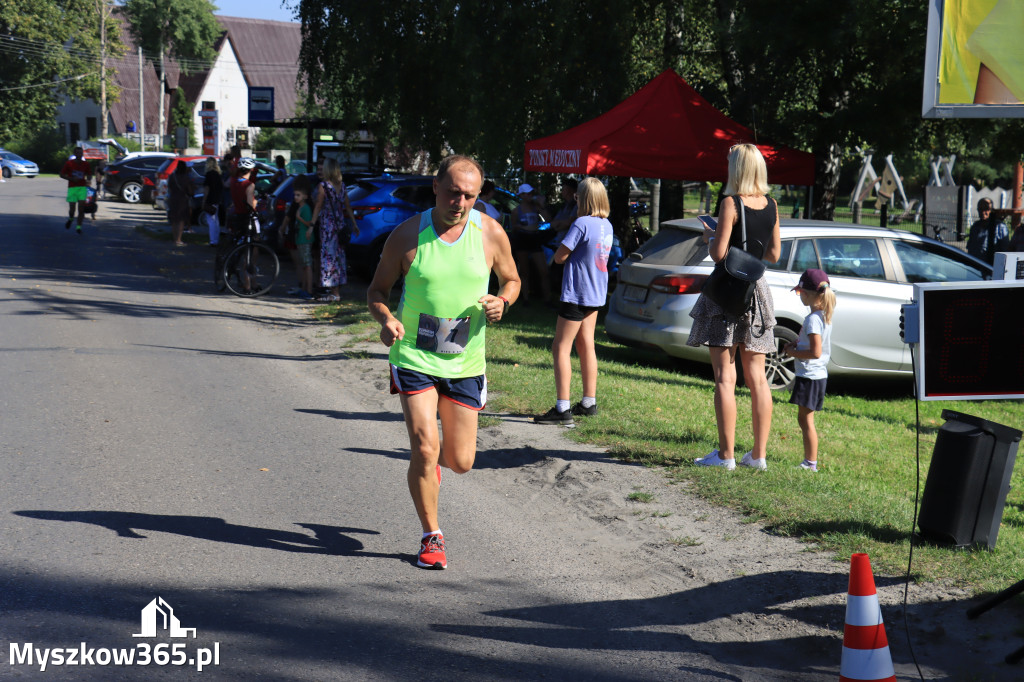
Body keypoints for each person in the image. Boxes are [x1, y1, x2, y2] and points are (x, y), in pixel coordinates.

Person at [366, 154, 520, 570]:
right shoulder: (406, 236)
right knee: (424, 446)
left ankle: (431, 468)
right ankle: (431, 535)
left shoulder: (490, 233)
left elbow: (513, 279)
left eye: (470, 195)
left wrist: (502, 301)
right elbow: (377, 291)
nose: (461, 202)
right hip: (414, 354)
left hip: (465, 361)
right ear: (435, 187)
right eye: (453, 192)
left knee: (461, 461)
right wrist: (387, 319)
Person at [689, 143, 781, 471]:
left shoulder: (731, 203)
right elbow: (773, 255)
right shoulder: (771, 204)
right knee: (757, 377)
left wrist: (711, 236)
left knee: (725, 377)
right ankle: (758, 456)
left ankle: (726, 456)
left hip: (727, 293)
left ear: (737, 170)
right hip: (757, 292)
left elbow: (718, 254)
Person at [534, 177, 612, 426]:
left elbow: (560, 256)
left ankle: (562, 407)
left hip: (577, 292)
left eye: (578, 196)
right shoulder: (606, 224)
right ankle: (589, 402)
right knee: (586, 344)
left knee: (561, 346)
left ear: (583, 198)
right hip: (596, 292)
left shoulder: (581, 223)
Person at [782, 269, 836, 472]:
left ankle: (810, 463)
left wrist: (794, 353)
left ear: (809, 294)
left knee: (806, 420)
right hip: (817, 376)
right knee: (805, 418)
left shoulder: (813, 319)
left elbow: (815, 352)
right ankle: (809, 461)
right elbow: (811, 343)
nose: (799, 296)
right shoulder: (823, 315)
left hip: (810, 376)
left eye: (800, 293)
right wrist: (796, 344)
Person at [311, 157, 359, 302]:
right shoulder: (342, 186)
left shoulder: (323, 186)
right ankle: (335, 290)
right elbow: (348, 206)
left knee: (328, 257)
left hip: (328, 226)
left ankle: (334, 292)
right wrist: (354, 223)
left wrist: (312, 224)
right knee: (338, 257)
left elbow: (318, 206)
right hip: (340, 225)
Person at [509, 183, 551, 305]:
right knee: (524, 271)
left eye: (531, 193)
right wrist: (523, 227)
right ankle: (525, 299)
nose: (530, 196)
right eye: (527, 194)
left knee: (544, 271)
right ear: (521, 195)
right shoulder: (516, 211)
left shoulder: (536, 208)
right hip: (522, 240)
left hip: (535, 240)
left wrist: (542, 206)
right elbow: (513, 228)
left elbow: (548, 219)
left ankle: (547, 299)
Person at [292, 175, 316, 300]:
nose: (296, 197)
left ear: (305, 196)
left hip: (305, 239)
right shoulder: (300, 207)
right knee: (304, 264)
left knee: (307, 265)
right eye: (295, 195)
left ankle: (309, 290)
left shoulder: (305, 208)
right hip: (300, 238)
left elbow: (309, 222)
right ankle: (304, 288)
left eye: (298, 195)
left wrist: (299, 218)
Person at [966, 198, 1010, 265]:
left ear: (991, 210)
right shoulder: (975, 227)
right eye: (980, 209)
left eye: (986, 209)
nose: (983, 212)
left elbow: (1005, 250)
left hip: (991, 267)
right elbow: (970, 248)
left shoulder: (1000, 227)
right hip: (974, 267)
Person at [60, 147, 93, 234]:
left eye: (81, 153)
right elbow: (61, 174)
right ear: (75, 154)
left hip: (82, 187)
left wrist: (89, 180)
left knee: (81, 209)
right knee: (72, 209)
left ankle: (79, 227)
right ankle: (71, 218)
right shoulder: (69, 163)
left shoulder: (86, 164)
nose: (79, 154)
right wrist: (71, 178)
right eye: (78, 153)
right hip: (72, 187)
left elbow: (89, 174)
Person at [167, 161, 195, 247]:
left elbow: (169, 187)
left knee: (174, 220)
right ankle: (179, 239)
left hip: (173, 199)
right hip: (183, 200)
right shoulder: (186, 178)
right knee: (181, 220)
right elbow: (190, 191)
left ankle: (175, 238)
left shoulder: (172, 176)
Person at [201, 157, 223, 246]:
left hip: (210, 199)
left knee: (211, 221)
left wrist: (204, 201)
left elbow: (207, 189)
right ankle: (216, 239)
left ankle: (213, 240)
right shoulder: (218, 174)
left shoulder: (209, 175)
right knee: (215, 221)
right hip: (216, 199)